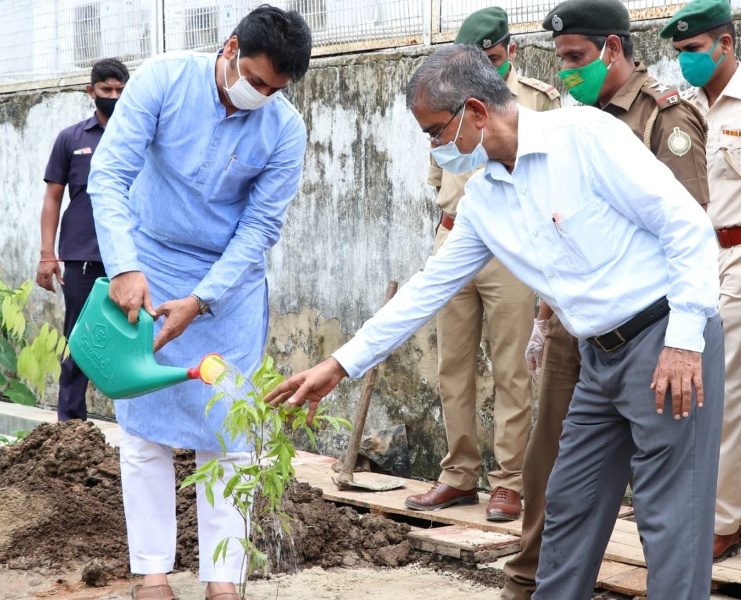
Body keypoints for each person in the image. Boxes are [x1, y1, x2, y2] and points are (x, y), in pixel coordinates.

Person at [265, 44, 723, 600]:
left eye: (436, 131)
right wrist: (340, 364)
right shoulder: (484, 197)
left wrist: (683, 339)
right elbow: (426, 289)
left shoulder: (584, 137)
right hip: (597, 357)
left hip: (665, 338)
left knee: (670, 520)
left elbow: (686, 228)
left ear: (477, 112)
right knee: (568, 506)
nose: (435, 147)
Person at [86, 6, 312, 600]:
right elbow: (109, 173)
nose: (259, 96)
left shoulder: (285, 130)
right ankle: (153, 575)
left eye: (274, 90)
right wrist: (125, 267)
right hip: (149, 266)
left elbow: (260, 227)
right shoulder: (163, 79)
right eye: (255, 80)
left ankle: (222, 580)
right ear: (231, 48)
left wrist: (203, 299)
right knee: (142, 427)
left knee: (230, 431)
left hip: (226, 289)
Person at [500, 1, 711, 597]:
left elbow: (687, 225)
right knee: (559, 480)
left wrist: (682, 339)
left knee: (662, 502)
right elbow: (559, 231)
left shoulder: (661, 117)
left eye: (575, 59)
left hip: (652, 328)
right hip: (582, 327)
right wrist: (545, 318)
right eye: (560, 61)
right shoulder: (572, 118)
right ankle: (531, 582)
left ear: (613, 50)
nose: (566, 73)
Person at [405, 6, 560, 522]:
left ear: (510, 52)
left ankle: (510, 481)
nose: (488, 72)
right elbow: (439, 176)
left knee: (512, 366)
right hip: (454, 239)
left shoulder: (537, 100)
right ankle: (458, 474)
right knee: (453, 365)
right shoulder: (446, 103)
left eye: (494, 60)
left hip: (511, 249)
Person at [661, 0, 741, 563]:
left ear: (726, 44)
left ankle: (724, 519)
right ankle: (709, 508)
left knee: (728, 395)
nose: (686, 61)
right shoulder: (684, 109)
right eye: (679, 53)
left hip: (737, 259)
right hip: (694, 265)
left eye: (694, 50)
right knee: (704, 392)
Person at [35, 58, 130, 422]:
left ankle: (137, 430)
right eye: (106, 90)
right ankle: (70, 429)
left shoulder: (140, 136)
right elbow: (53, 197)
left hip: (132, 259)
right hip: (83, 257)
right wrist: (48, 255)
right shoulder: (71, 138)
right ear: (90, 91)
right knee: (79, 341)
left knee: (132, 344)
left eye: (121, 90)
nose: (114, 96)